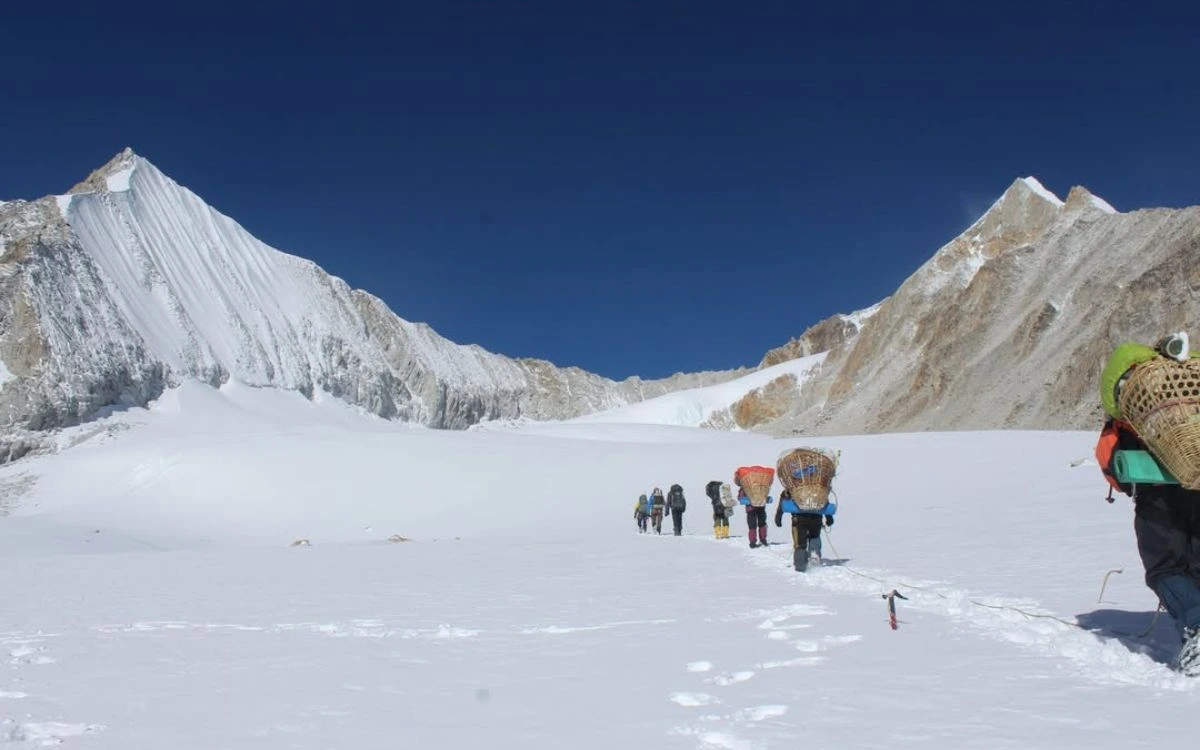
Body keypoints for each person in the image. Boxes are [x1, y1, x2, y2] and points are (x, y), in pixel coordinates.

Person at [1096, 339, 1200, 676]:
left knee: (1166, 568)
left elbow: (1112, 464)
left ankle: (1197, 628)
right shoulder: (1192, 405)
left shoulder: (1131, 418)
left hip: (1157, 500)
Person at [775, 488, 835, 572]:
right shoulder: (818, 486)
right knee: (814, 536)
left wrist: (778, 515)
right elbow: (823, 502)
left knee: (800, 544)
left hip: (799, 519)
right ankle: (814, 557)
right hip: (816, 518)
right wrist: (829, 518)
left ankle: (800, 565)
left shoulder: (793, 485)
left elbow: (783, 500)